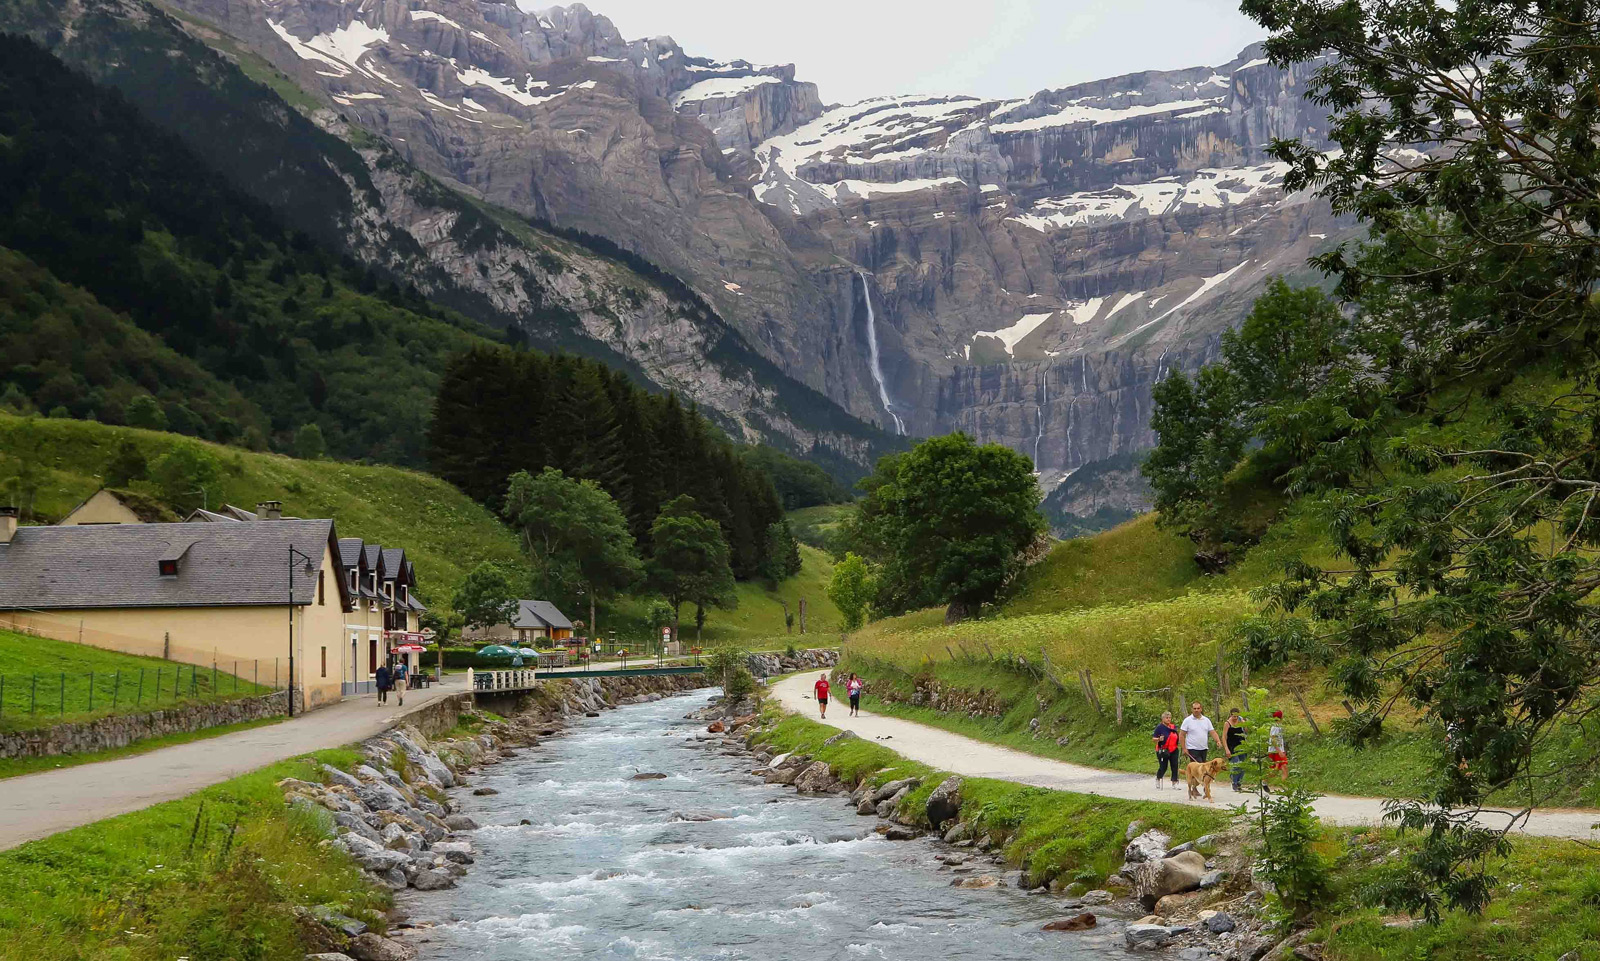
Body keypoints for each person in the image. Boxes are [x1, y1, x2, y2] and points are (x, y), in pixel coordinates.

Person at [1152, 711, 1181, 788]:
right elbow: (1153, 739)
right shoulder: (1159, 728)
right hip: (1163, 750)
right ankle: (1158, 778)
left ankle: (1174, 782)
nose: (1168, 719)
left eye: (1169, 718)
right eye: (1166, 718)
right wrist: (1158, 739)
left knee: (1175, 766)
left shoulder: (1173, 727)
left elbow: (1177, 736)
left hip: (1174, 749)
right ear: (1163, 719)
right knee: (1163, 767)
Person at [1223, 707, 1247, 792]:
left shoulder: (1240, 721)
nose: (1235, 718)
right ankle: (1234, 782)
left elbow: (1246, 731)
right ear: (1231, 715)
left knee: (1243, 765)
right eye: (1233, 716)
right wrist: (1226, 749)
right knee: (1236, 764)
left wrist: (1244, 724)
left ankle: (1239, 782)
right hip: (1232, 747)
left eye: (1236, 716)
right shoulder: (1227, 724)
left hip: (1242, 746)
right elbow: (1224, 737)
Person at [1267, 710, 1289, 786]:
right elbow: (1273, 739)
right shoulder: (1275, 727)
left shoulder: (1278, 726)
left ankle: (1283, 787)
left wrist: (1282, 750)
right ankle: (1263, 781)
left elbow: (1279, 740)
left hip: (1279, 751)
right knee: (1276, 770)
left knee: (1284, 768)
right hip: (1274, 751)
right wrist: (1279, 751)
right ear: (1281, 717)